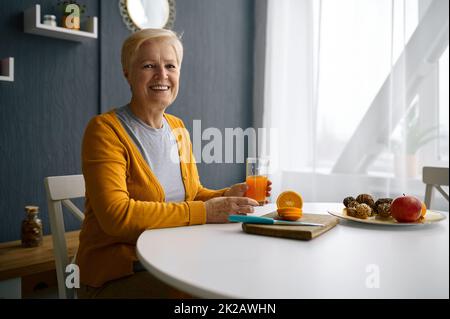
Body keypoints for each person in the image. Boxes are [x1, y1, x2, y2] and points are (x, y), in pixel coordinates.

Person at [76, 28, 271, 298]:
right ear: (127, 73)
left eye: (170, 66)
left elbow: (192, 195)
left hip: (172, 259)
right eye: (148, 66)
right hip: (118, 273)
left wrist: (226, 195)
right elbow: (116, 217)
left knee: (245, 277)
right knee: (203, 295)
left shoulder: (177, 127)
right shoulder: (105, 130)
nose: (162, 75)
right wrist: (206, 211)